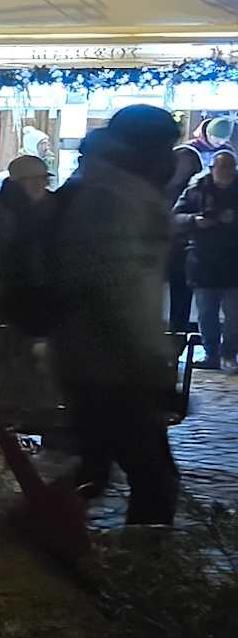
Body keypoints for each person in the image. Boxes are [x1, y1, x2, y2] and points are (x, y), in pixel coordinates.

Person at [50, 105, 185, 526]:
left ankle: (33, 533)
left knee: (97, 469)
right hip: (113, 363)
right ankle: (141, 562)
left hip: (89, 357)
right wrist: (153, 365)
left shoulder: (103, 188)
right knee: (153, 479)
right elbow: (124, 291)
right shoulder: (119, 198)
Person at [0, 155, 58, 425]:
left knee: (38, 361)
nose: (39, 185)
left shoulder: (54, 206)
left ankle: (36, 417)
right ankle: (1, 418)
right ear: (17, 182)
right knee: (11, 359)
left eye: (43, 179)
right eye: (32, 180)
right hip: (11, 298)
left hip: (45, 298)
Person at [174, 148, 238, 371]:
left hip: (233, 262)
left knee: (233, 315)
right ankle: (212, 354)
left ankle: (229, 353)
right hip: (203, 261)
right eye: (221, 168)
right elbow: (176, 217)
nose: (225, 172)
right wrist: (194, 220)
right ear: (212, 169)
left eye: (229, 168)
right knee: (206, 313)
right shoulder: (196, 189)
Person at [166, 141, 204, 332]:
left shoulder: (195, 190)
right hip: (177, 247)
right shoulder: (194, 190)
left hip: (180, 248)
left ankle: (177, 331)